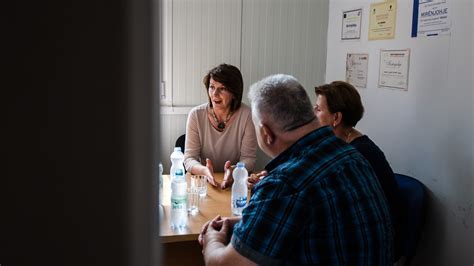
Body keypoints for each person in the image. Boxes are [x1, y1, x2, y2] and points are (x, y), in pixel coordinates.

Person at [199, 74, 394, 265]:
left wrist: (212, 239)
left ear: (266, 133)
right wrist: (237, 222)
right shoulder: (352, 155)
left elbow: (227, 263)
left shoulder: (283, 183)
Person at [314, 80, 402, 260]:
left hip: (376, 242)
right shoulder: (341, 143)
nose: (313, 115)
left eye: (318, 109)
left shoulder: (358, 153)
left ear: (336, 118)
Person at [184, 63, 257, 189]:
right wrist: (204, 171)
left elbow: (249, 159)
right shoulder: (196, 115)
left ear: (234, 93)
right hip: (204, 184)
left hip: (234, 184)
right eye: (212, 87)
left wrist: (234, 171)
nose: (215, 94)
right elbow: (189, 159)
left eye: (222, 88)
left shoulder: (247, 116)